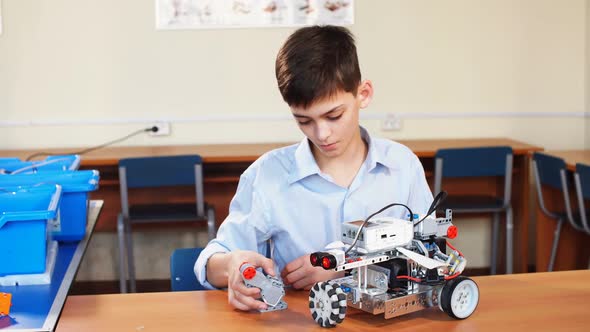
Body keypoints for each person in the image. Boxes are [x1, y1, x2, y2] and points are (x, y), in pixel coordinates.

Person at [194, 25, 433, 311]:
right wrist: (233, 265)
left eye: (334, 116)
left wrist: (345, 268)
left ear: (363, 94)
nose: (322, 135)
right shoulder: (268, 174)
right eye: (304, 121)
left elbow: (430, 253)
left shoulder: (402, 165)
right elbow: (212, 261)